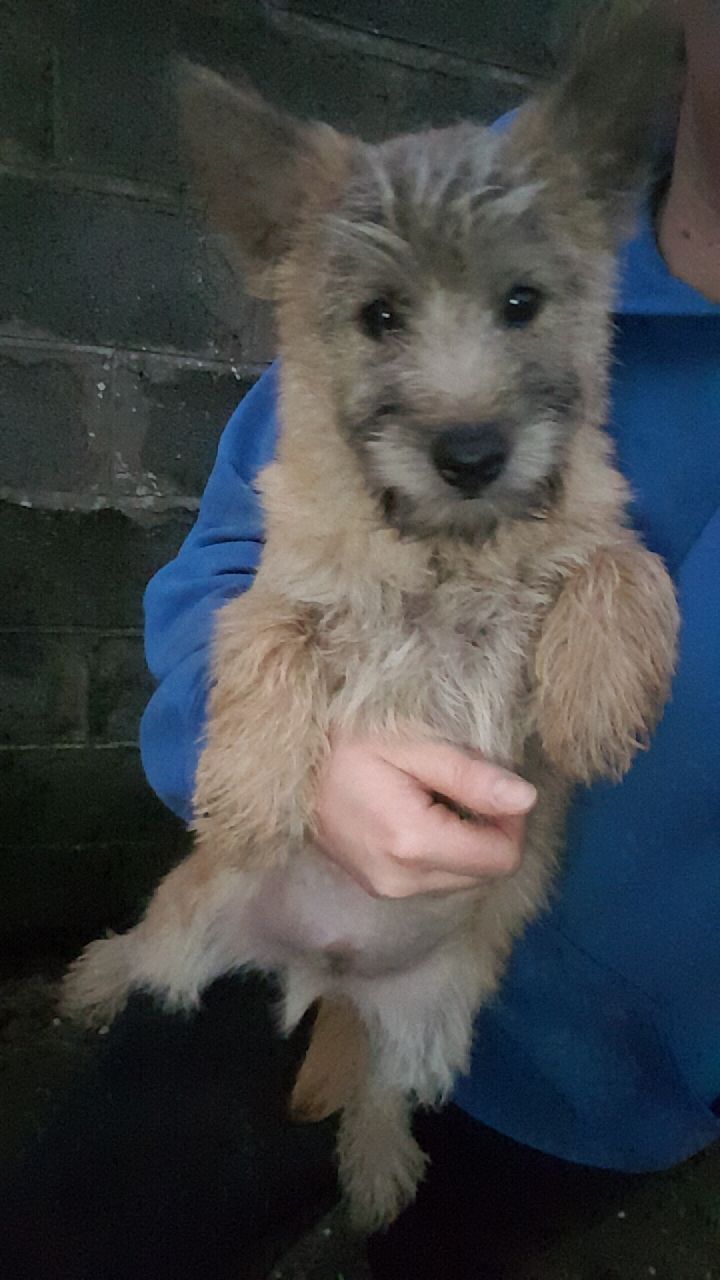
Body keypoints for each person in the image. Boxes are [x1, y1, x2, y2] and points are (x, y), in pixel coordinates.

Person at [1, 2, 718, 1277]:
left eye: (515, 303)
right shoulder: (439, 189)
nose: (463, 399)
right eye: (388, 319)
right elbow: (246, 552)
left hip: (607, 1082)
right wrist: (261, 762)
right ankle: (132, 959)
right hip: (277, 903)